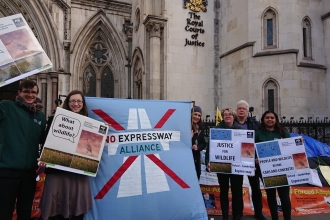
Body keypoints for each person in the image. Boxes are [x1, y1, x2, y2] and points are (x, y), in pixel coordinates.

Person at [39, 90, 92, 220]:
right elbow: (45, 141)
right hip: (58, 172)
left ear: (83, 104)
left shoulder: (90, 124)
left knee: (78, 211)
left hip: (78, 173)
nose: (76, 104)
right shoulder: (54, 119)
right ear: (67, 103)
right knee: (56, 212)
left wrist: (103, 130)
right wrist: (43, 157)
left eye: (79, 101)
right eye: (72, 101)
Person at [0, 79, 46, 220]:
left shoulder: (39, 115)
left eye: (33, 92)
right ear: (19, 92)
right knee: (4, 212)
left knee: (25, 213)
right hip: (7, 171)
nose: (30, 95)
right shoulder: (6, 107)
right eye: (26, 91)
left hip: (29, 173)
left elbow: (44, 141)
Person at [256, 110, 291, 220]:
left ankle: (287, 218)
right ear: (263, 120)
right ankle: (274, 218)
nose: (269, 119)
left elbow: (291, 147)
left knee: (284, 196)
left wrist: (298, 143)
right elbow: (252, 150)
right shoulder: (258, 134)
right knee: (271, 196)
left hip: (282, 170)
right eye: (267, 118)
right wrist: (255, 159)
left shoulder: (283, 132)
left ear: (276, 120)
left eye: (272, 117)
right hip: (267, 171)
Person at [235, 100, 266, 220]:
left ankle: (258, 212)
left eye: (244, 108)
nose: (241, 110)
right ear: (236, 111)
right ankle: (238, 214)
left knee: (256, 188)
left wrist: (258, 157)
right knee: (237, 188)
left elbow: (261, 140)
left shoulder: (255, 124)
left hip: (251, 160)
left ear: (247, 111)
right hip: (236, 160)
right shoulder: (232, 123)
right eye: (239, 108)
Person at [211, 107, 243, 220]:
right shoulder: (217, 130)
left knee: (237, 191)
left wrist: (249, 165)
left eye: (229, 114)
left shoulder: (240, 130)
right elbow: (211, 148)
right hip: (222, 164)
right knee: (223, 190)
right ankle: (225, 216)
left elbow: (246, 149)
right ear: (223, 117)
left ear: (233, 116)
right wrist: (208, 162)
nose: (227, 116)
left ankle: (237, 215)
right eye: (225, 114)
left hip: (237, 166)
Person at [191, 105, 206, 180]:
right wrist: (189, 138)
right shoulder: (185, 126)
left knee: (196, 177)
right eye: (195, 114)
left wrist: (198, 147)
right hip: (188, 158)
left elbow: (203, 143)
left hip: (196, 157)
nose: (197, 117)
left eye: (199, 115)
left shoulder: (200, 128)